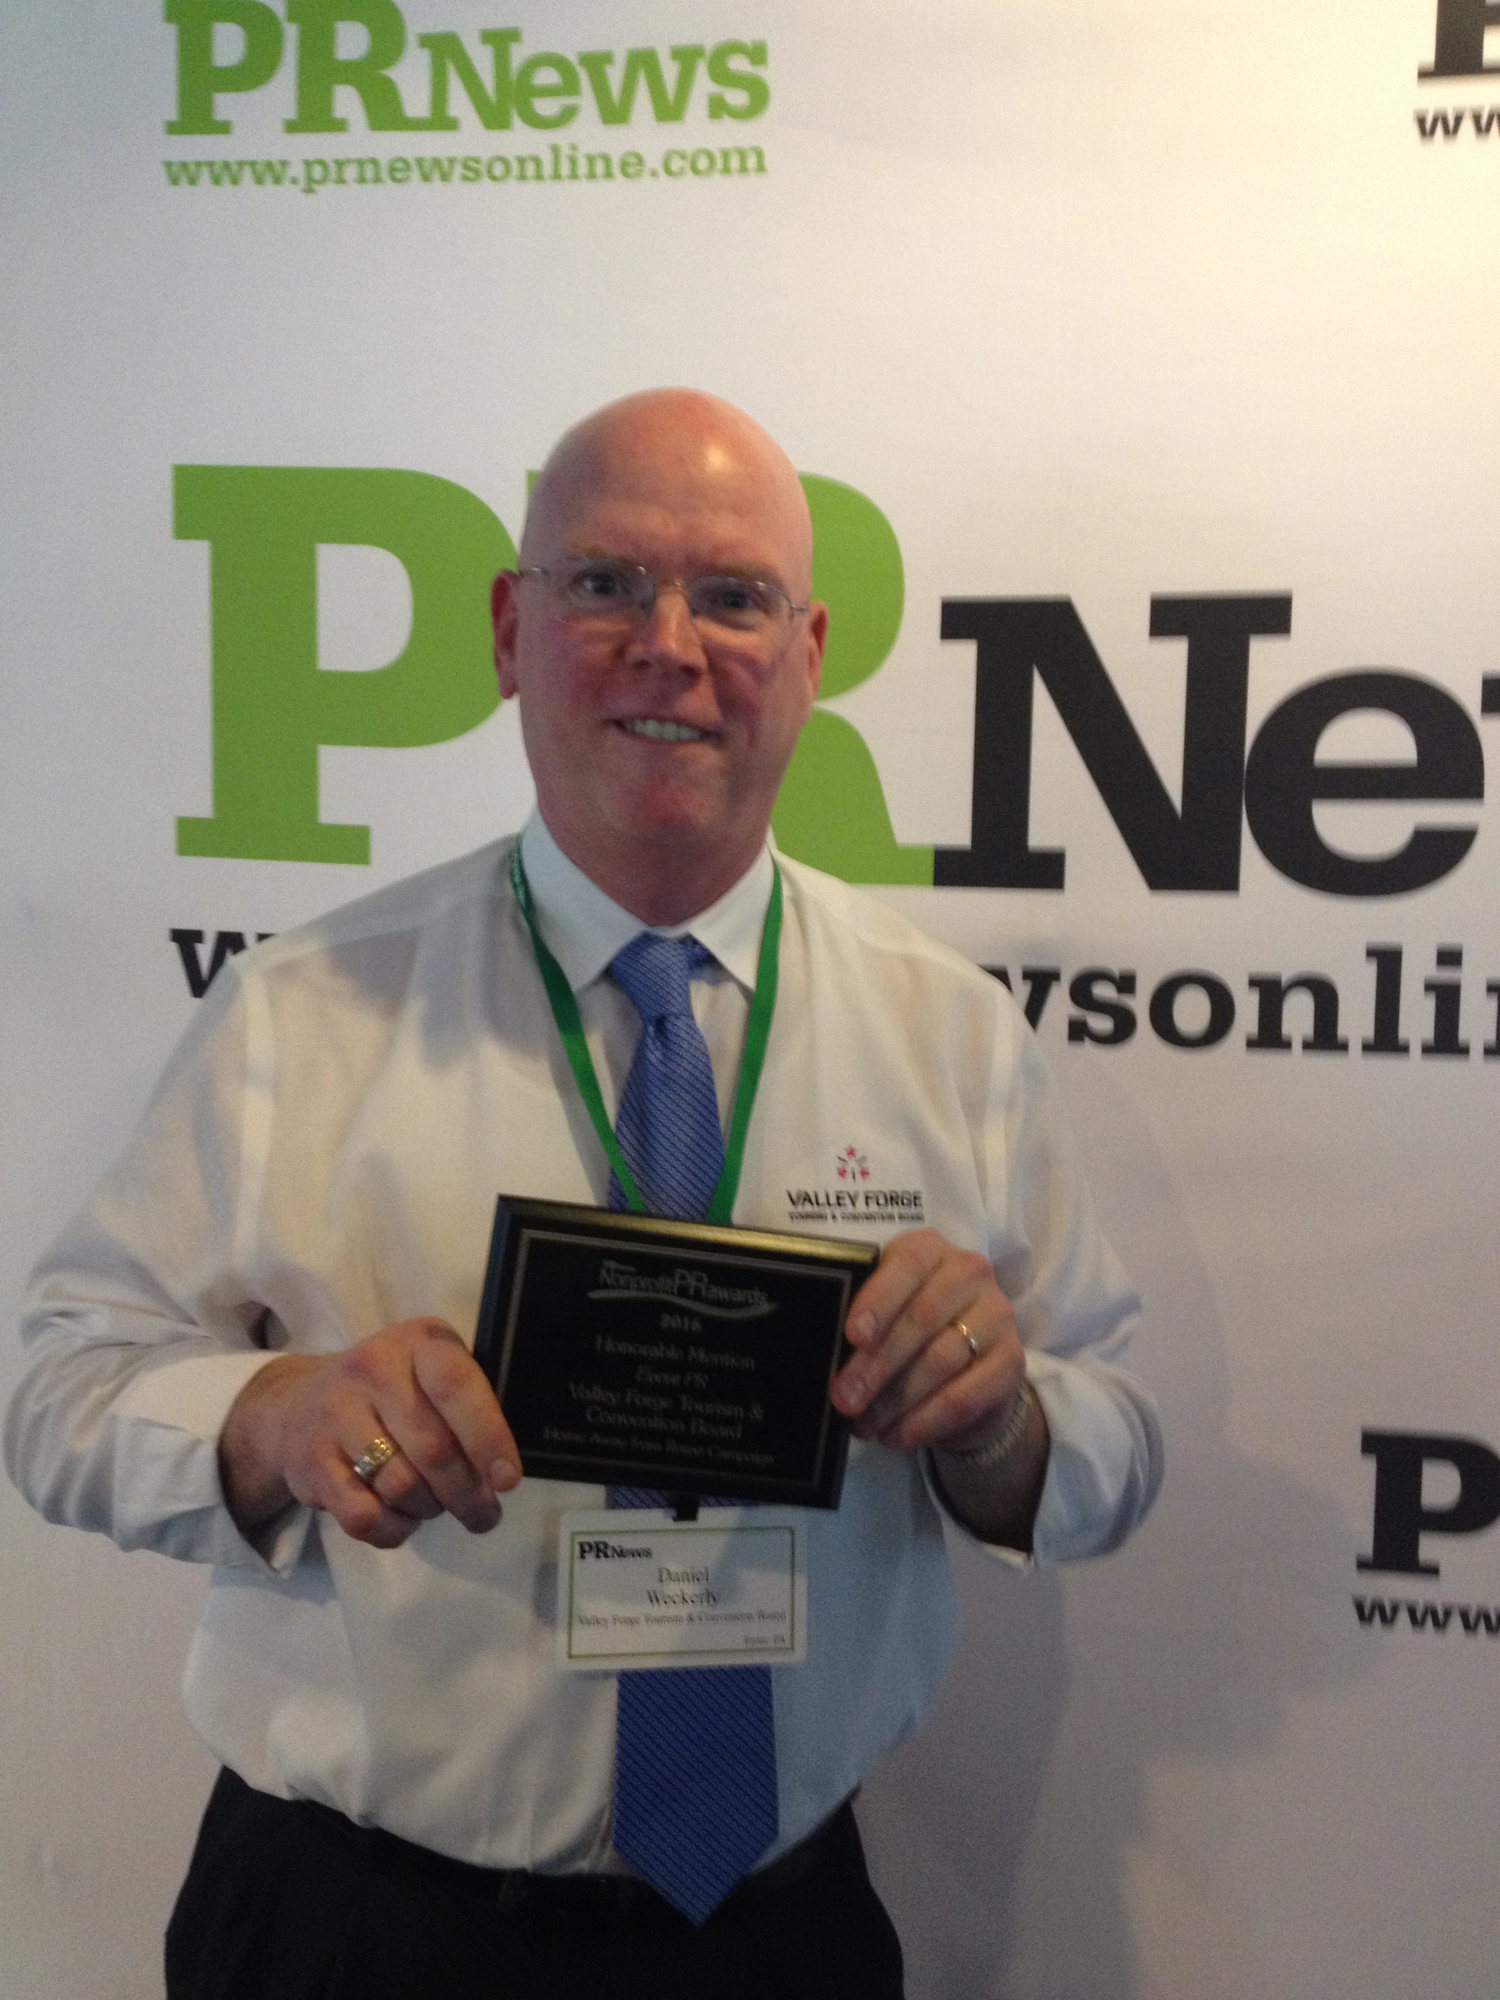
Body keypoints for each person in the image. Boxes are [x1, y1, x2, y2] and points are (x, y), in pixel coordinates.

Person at [5, 390, 1163, 1999]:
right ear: (507, 629)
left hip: (774, 1933)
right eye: (605, 583)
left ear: (811, 652)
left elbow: (1117, 1442)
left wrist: (1000, 1422)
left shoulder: (947, 1036)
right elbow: (56, 1389)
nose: (668, 644)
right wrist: (280, 1418)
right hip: (360, 1928)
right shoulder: (303, 1011)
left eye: (734, 596)